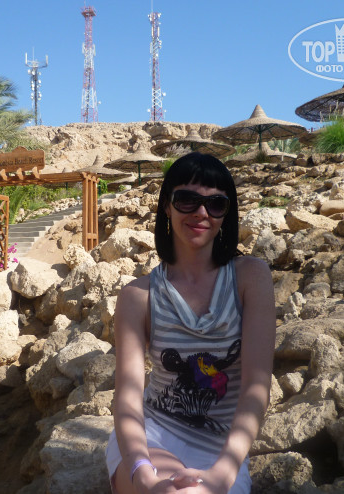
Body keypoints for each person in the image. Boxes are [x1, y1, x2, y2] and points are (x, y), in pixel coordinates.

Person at [106, 152, 276, 494]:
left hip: (223, 451)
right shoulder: (138, 296)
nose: (201, 212)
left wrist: (223, 473)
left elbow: (256, 389)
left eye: (216, 204)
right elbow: (127, 397)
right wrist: (143, 475)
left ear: (226, 214)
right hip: (150, 439)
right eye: (187, 200)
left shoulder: (251, 278)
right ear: (166, 207)